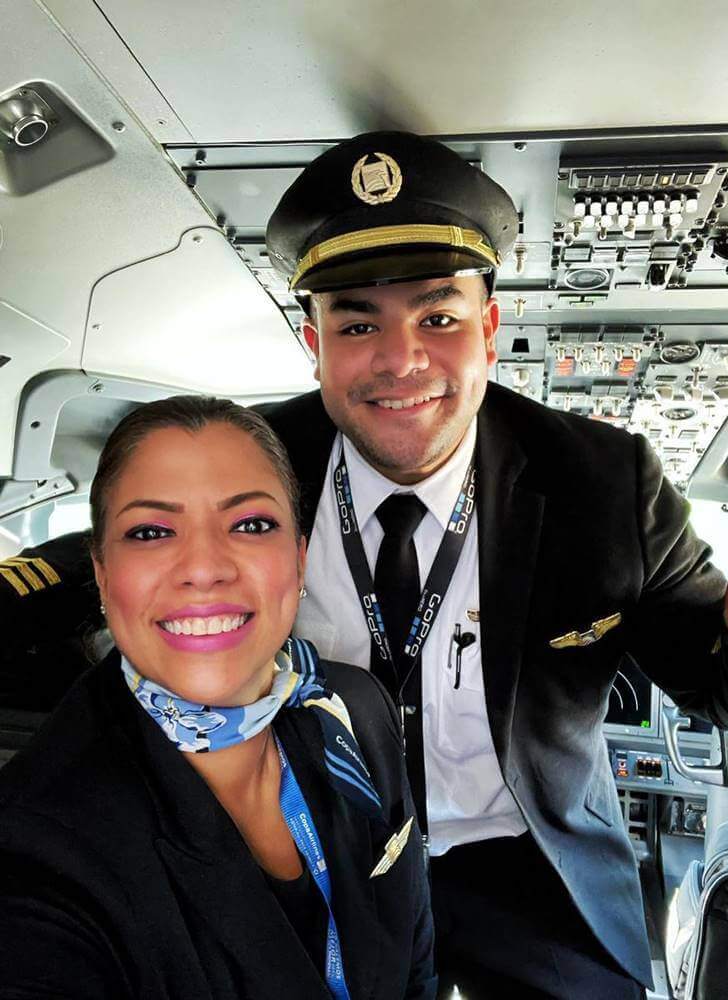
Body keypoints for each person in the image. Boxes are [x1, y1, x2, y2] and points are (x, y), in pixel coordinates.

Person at [2, 131, 728, 998]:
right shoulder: (252, 463)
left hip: (526, 861)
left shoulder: (605, 483)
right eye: (357, 322)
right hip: (321, 839)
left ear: (489, 329)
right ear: (316, 343)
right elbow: (102, 568)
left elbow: (724, 694)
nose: (400, 359)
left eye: (438, 317)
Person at [0, 396, 436, 1000]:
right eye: (151, 532)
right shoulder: (36, 848)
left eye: (251, 524)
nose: (204, 569)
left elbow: (413, 958)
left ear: (300, 557)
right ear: (101, 574)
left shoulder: (357, 707)